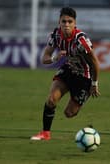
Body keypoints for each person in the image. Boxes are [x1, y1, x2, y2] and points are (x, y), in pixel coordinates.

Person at [31, 7, 100, 140]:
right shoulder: (55, 36)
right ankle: (45, 133)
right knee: (51, 100)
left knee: (69, 113)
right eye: (64, 21)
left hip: (84, 77)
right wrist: (54, 59)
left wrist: (94, 84)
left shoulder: (81, 40)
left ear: (75, 23)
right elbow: (44, 58)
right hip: (68, 70)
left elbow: (95, 63)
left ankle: (77, 96)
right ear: (59, 22)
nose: (66, 25)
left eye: (70, 22)